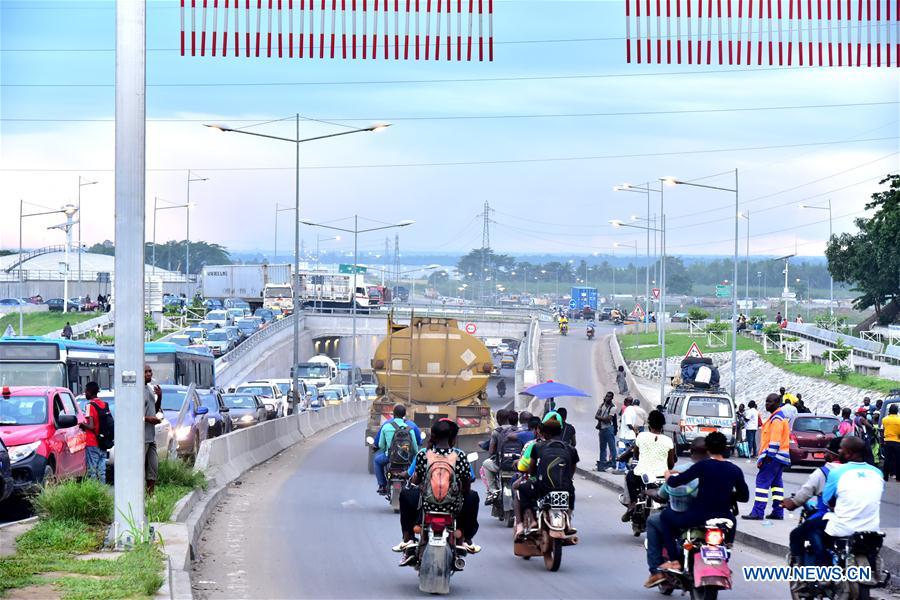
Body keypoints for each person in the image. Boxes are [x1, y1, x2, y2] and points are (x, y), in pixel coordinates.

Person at [656, 432, 749, 573]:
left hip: (699, 516)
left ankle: (674, 561)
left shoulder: (703, 466)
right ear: (725, 448)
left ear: (708, 449)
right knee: (728, 539)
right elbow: (744, 497)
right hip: (725, 518)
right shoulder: (735, 470)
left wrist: (668, 474)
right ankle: (724, 557)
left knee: (665, 517)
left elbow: (675, 483)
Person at [396, 418, 480, 566]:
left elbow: (416, 480)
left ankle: (407, 537)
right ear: (452, 437)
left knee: (405, 494)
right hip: (452, 506)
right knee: (473, 496)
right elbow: (467, 484)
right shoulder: (459, 456)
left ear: (433, 436)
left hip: (427, 505)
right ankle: (466, 538)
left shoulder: (424, 454)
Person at [644, 438, 708, 588]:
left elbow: (663, 494)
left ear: (691, 452)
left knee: (653, 521)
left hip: (683, 518)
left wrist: (650, 492)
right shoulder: (718, 469)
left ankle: (656, 571)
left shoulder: (682, 470)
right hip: (710, 519)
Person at [515, 412, 579, 539]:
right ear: (560, 431)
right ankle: (568, 520)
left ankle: (531, 520)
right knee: (571, 492)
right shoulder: (571, 449)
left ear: (543, 432)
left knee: (521, 489)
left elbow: (532, 468)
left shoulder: (537, 447)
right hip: (565, 487)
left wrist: (534, 478)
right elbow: (572, 468)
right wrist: (567, 479)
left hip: (542, 487)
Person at [781, 437, 843, 566]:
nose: (824, 454)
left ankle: (800, 569)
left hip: (828, 516)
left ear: (832, 455)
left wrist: (792, 503)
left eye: (826, 452)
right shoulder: (855, 471)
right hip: (856, 517)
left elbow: (804, 494)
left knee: (797, 534)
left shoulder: (823, 472)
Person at [821, 436, 884, 541]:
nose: (839, 451)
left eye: (841, 449)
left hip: (842, 529)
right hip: (872, 531)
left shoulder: (837, 472)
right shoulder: (877, 473)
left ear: (849, 453)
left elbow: (826, 500)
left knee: (811, 534)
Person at [619, 410, 675, 521]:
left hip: (641, 474)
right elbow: (671, 464)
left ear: (649, 424)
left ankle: (632, 503)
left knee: (629, 476)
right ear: (662, 425)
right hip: (661, 476)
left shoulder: (641, 436)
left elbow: (636, 455)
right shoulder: (668, 441)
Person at [744, 393, 790, 520]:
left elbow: (774, 442)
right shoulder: (778, 417)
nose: (767, 404)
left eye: (770, 402)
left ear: (777, 403)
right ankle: (778, 511)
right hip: (780, 458)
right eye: (766, 402)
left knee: (762, 484)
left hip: (773, 457)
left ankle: (758, 512)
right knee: (777, 486)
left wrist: (768, 458)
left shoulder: (776, 420)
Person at [373, 404, 421, 494]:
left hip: (390, 457)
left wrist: (386, 451)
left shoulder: (386, 426)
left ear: (393, 414)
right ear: (404, 415)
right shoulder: (410, 428)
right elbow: (415, 448)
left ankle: (382, 485)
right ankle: (415, 484)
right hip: (407, 458)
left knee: (377, 461)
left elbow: (381, 445)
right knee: (418, 462)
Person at [80, 382, 109, 482]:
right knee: (102, 470)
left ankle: (94, 492)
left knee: (92, 471)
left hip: (92, 442)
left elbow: (91, 426)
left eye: (86, 391)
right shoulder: (104, 404)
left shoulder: (89, 406)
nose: (85, 393)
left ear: (89, 392)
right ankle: (102, 491)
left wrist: (81, 424)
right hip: (103, 442)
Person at [481, 410, 509, 501]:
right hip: (516, 465)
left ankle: (493, 490)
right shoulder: (516, 430)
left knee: (485, 463)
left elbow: (491, 451)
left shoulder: (497, 432)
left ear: (498, 419)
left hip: (501, 465)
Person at [143, 365, 162, 495]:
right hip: (141, 437)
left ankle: (151, 496)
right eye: (146, 371)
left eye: (150, 371)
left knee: (153, 467)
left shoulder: (149, 389)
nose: (149, 374)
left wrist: (159, 397)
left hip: (151, 436)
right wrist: (149, 419)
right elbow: (133, 415)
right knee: (139, 469)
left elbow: (154, 410)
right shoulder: (136, 391)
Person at [595, 392, 617, 472]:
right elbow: (595, 416)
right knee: (602, 448)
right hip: (602, 429)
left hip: (609, 429)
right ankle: (602, 464)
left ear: (612, 398)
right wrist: (602, 418)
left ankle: (613, 464)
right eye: (606, 396)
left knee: (612, 448)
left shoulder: (613, 408)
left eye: (609, 397)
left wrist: (600, 418)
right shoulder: (602, 405)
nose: (607, 398)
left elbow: (608, 419)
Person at [614, 397, 637, 474]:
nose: (623, 401)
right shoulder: (632, 410)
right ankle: (628, 468)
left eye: (625, 400)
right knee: (629, 452)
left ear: (627, 402)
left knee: (622, 452)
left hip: (625, 436)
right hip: (630, 436)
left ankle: (621, 468)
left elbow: (628, 424)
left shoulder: (627, 412)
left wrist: (634, 430)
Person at [881, 404, 900, 482]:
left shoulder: (884, 419)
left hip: (887, 441)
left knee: (887, 459)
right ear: (897, 411)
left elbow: (884, 429)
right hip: (897, 441)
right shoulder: (899, 420)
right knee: (898, 460)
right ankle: (898, 478)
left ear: (889, 411)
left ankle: (885, 477)